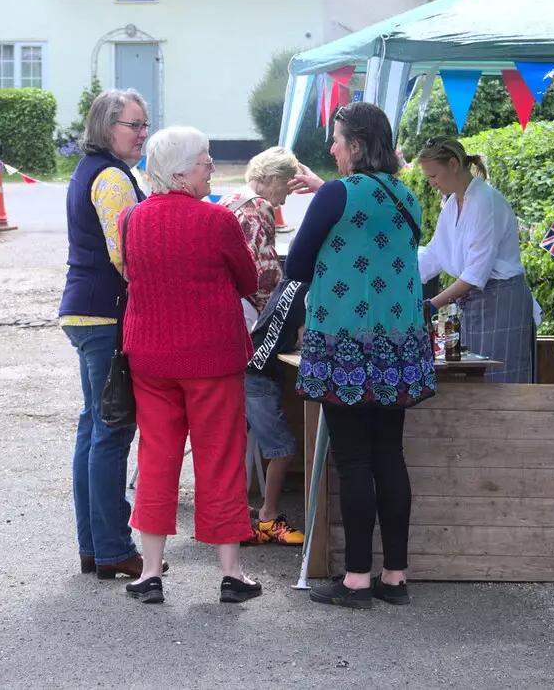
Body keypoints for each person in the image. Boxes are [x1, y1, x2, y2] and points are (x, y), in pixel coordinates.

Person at [286, 102, 435, 609]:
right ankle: (395, 577)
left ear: (356, 144)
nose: (331, 148)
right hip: (399, 341)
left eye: (336, 138)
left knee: (353, 462)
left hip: (344, 341)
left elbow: (298, 262)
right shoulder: (408, 196)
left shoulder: (336, 195)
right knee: (389, 455)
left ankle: (354, 580)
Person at [120, 126, 262, 605]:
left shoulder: (132, 219)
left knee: (156, 457)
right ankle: (231, 573)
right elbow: (248, 278)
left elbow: (133, 273)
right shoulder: (217, 220)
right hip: (212, 357)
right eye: (205, 160)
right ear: (179, 171)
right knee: (219, 457)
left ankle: (149, 573)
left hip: (151, 357)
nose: (212, 168)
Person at [59, 88, 152, 580]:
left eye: (144, 124)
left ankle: (95, 546)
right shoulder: (113, 178)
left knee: (94, 427)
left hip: (85, 310)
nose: (142, 133)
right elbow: (127, 256)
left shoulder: (88, 169)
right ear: (107, 127)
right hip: (106, 312)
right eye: (133, 125)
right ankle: (114, 548)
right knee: (112, 430)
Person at [218, 146, 306, 547]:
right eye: (285, 188)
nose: (285, 199)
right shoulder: (257, 210)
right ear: (272, 179)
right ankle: (267, 516)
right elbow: (264, 274)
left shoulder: (230, 201)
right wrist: (291, 317)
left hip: (224, 329)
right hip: (252, 333)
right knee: (275, 433)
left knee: (234, 428)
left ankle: (233, 513)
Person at [415, 136, 535, 382]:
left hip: (502, 300)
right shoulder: (451, 205)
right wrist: (397, 280)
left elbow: (474, 274)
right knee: (473, 381)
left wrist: (430, 306)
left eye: (434, 176)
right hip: (473, 303)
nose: (431, 183)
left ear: (453, 164)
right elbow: (435, 254)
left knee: (500, 383)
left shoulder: (485, 201)